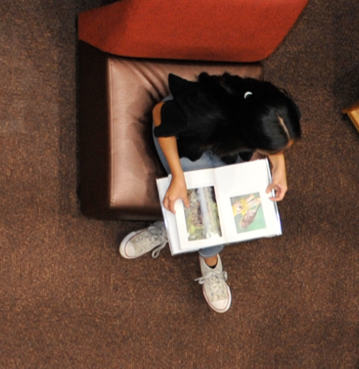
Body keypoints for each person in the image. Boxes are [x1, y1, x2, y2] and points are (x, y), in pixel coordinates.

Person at [117, 71, 301, 314]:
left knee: (224, 209)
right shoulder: (202, 115)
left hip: (222, 140)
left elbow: (271, 130)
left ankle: (175, 231)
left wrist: (280, 168)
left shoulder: (264, 102)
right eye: (268, 149)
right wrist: (178, 177)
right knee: (204, 209)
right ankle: (204, 254)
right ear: (249, 135)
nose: (274, 153)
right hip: (181, 136)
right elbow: (160, 116)